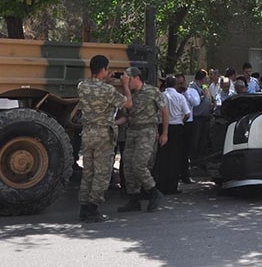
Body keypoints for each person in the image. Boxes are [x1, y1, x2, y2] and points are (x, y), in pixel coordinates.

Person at [77, 55, 132, 223]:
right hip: (103, 136)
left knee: (88, 172)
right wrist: (125, 85)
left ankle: (84, 207)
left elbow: (95, 92)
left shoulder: (82, 86)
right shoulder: (108, 91)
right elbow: (128, 104)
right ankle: (93, 208)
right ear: (103, 70)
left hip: (87, 134)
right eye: (107, 69)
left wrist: (106, 82)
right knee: (102, 173)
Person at [118, 66, 169, 213]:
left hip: (147, 131)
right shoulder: (128, 94)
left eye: (128, 79)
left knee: (139, 164)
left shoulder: (152, 91)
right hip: (132, 131)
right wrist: (113, 123)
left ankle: (153, 192)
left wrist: (165, 133)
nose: (125, 82)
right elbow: (126, 116)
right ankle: (134, 199)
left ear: (136, 78)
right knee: (128, 166)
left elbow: (164, 112)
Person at [155, 76, 191, 194]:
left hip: (162, 126)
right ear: (176, 85)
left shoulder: (161, 95)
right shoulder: (180, 97)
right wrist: (180, 119)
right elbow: (187, 113)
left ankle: (161, 185)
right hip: (176, 127)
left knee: (163, 157)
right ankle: (172, 186)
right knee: (175, 157)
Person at [176, 73, 199, 184]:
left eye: (182, 83)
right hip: (176, 123)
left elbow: (196, 103)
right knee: (176, 150)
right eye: (178, 84)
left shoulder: (191, 92)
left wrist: (185, 93)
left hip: (188, 123)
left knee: (186, 150)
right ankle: (176, 174)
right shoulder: (174, 93)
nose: (180, 85)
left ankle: (185, 175)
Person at [189, 69, 212, 160]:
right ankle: (194, 158)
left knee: (203, 139)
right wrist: (204, 96)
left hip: (205, 116)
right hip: (197, 117)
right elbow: (195, 101)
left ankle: (201, 157)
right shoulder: (193, 87)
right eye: (206, 78)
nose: (207, 80)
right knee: (196, 139)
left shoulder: (203, 86)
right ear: (201, 78)